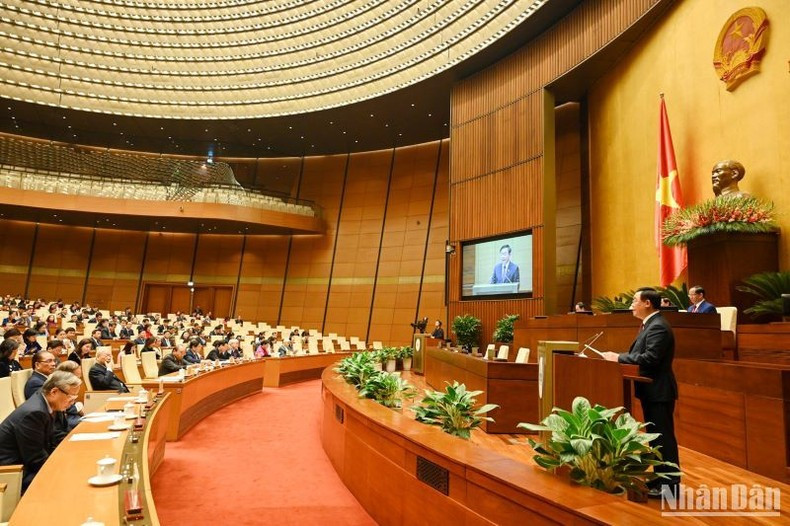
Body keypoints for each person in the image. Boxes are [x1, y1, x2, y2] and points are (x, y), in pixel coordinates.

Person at [602, 287, 680, 497]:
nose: (631, 305)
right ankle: (660, 481)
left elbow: (650, 359)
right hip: (651, 390)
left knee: (663, 439)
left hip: (659, 390)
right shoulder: (650, 324)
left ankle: (670, 486)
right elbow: (641, 355)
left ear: (647, 303)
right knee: (656, 439)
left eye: (634, 301)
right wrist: (618, 356)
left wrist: (618, 358)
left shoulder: (658, 326)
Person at [0, 371, 81, 492]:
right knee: (72, 480)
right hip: (14, 472)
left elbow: (52, 438)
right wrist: (65, 466)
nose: (72, 402)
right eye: (71, 397)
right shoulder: (34, 413)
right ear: (54, 392)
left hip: (26, 465)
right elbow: (36, 460)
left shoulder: (44, 402)